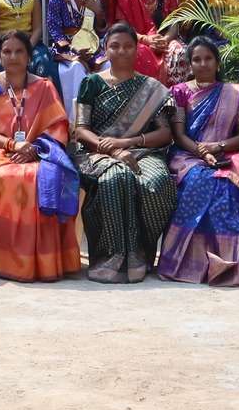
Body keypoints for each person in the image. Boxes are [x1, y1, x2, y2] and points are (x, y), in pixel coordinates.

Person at [159, 35, 239, 286]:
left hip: (229, 153)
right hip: (188, 155)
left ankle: (233, 260)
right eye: (197, 60)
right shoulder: (179, 92)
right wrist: (203, 152)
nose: (203, 64)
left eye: (208, 58)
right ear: (190, 64)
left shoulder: (236, 92)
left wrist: (219, 147)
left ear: (217, 62)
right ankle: (193, 262)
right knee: (204, 181)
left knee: (229, 185)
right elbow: (179, 135)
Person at [0, 30, 80, 282]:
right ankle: (11, 258)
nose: (13, 56)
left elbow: (58, 128)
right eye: (7, 51)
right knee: (10, 177)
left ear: (29, 56)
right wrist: (11, 145)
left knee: (43, 176)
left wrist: (35, 149)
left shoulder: (44, 86)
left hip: (40, 152)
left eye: (19, 51)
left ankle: (46, 262)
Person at [71, 24, 177, 283]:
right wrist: (113, 149)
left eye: (128, 46)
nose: (121, 51)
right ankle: (111, 254)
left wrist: (129, 142)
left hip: (142, 151)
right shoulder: (91, 83)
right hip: (97, 151)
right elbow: (81, 130)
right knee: (115, 178)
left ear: (137, 49)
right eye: (114, 46)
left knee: (156, 183)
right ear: (105, 50)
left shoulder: (151, 87)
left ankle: (140, 251)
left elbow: (165, 134)